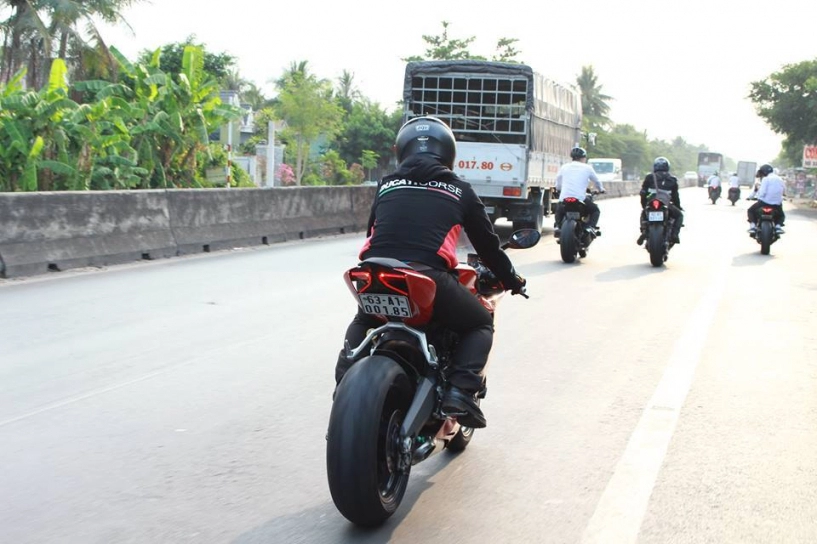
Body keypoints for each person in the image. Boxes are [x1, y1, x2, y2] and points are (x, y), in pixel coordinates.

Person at [333, 115, 527, 429]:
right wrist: (511, 280)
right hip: (427, 277)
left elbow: (373, 230)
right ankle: (459, 392)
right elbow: (489, 247)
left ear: (403, 151)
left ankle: (344, 380)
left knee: (364, 319)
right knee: (480, 322)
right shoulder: (459, 190)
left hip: (373, 273)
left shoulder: (386, 185)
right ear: (448, 152)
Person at [554, 147, 605, 236]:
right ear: (583, 158)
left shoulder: (564, 167)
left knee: (559, 210)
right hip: (580, 199)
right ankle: (589, 227)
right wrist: (601, 189)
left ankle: (558, 227)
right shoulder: (587, 168)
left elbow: (558, 181)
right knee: (595, 211)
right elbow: (597, 181)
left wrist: (558, 189)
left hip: (564, 198)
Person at [637, 157, 684, 245]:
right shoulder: (672, 179)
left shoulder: (649, 177)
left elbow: (643, 192)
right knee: (679, 216)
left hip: (651, 202)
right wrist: (678, 206)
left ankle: (643, 231)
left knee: (643, 214)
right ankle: (675, 235)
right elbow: (675, 196)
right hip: (665, 203)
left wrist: (644, 206)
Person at [747, 164, 786, 234]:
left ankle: (753, 226)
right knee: (781, 215)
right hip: (777, 204)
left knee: (750, 211)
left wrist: (759, 198)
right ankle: (778, 226)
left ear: (764, 172)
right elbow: (784, 190)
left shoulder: (766, 179)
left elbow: (762, 192)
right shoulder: (780, 179)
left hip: (764, 203)